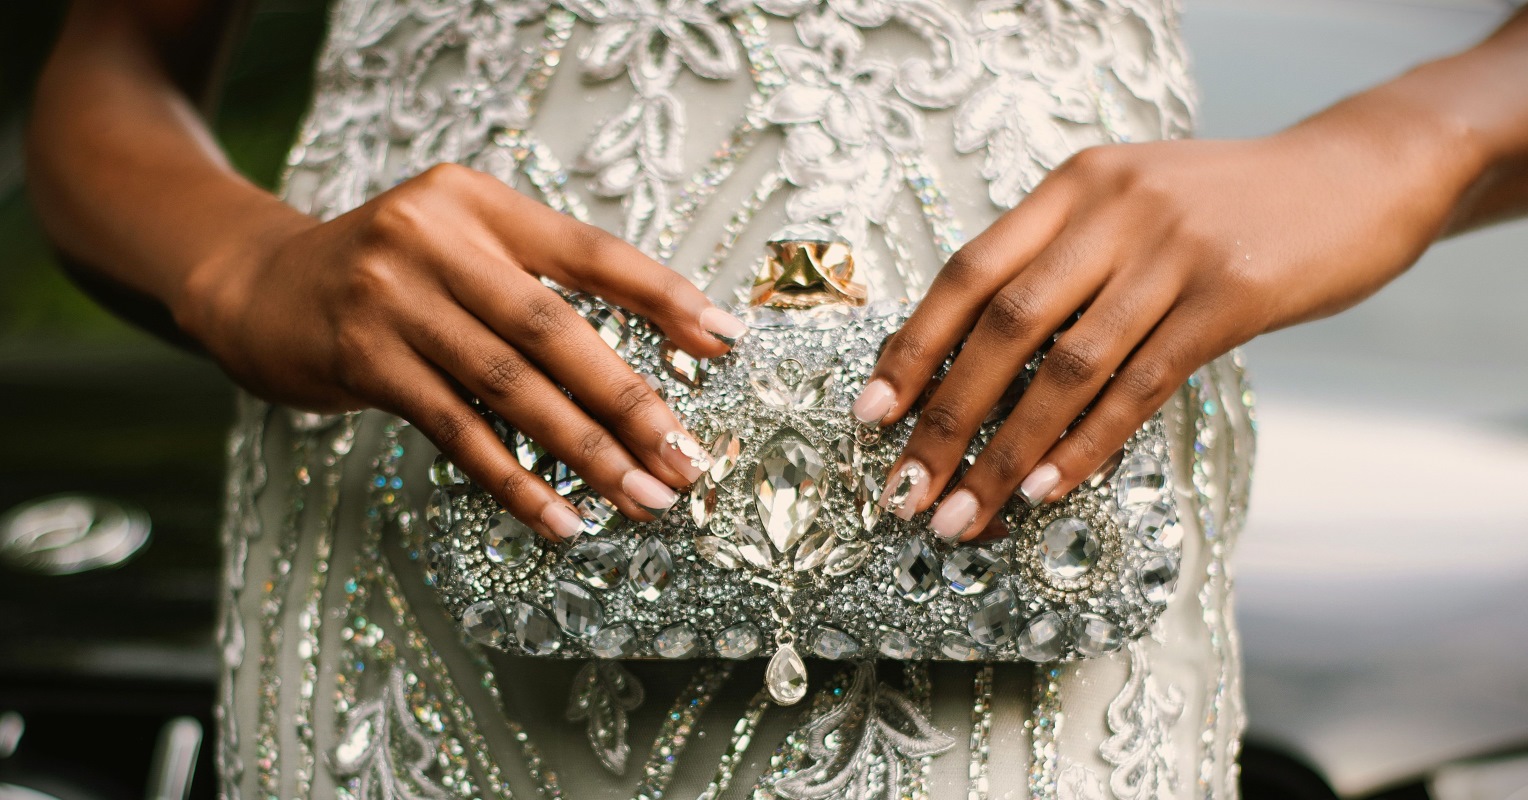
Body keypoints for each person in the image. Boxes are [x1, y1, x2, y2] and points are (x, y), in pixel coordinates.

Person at [25, 0, 1528, 797]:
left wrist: (1401, 145)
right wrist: (241, 261)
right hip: (409, 504)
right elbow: (108, 68)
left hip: (1033, 525)